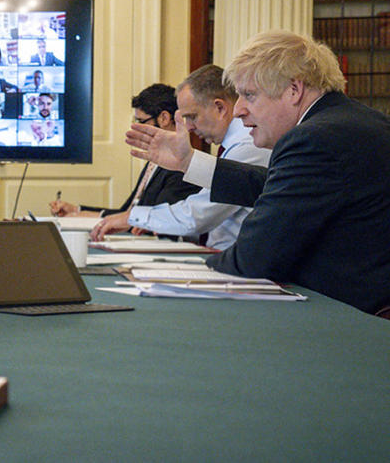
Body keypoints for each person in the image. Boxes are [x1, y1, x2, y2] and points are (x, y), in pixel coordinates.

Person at [126, 31, 390, 316]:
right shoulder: (353, 122)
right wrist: (188, 162)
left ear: (293, 90)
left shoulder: (314, 139)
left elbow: (254, 258)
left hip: (349, 321)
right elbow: (270, 187)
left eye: (249, 95)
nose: (238, 110)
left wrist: (179, 273)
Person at [90, 65, 270, 249]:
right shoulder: (232, 144)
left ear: (220, 108)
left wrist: (135, 217)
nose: (189, 127)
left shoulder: (247, 146)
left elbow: (197, 216)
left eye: (192, 117)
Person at [50, 83, 201, 218]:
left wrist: (83, 216)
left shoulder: (181, 166)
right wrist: (77, 210)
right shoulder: (153, 163)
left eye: (141, 122)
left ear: (164, 118)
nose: (136, 128)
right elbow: (127, 212)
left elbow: (155, 220)